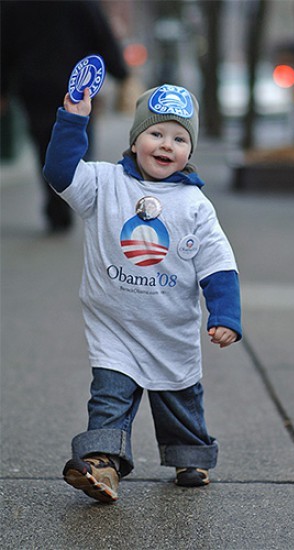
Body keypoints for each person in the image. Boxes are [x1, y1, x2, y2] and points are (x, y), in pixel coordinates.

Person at [43, 83, 242, 503]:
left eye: (180, 138)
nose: (166, 145)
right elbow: (60, 172)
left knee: (179, 397)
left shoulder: (194, 205)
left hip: (169, 326)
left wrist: (224, 314)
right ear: (134, 140)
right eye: (156, 133)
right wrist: (74, 118)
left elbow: (218, 264)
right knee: (109, 397)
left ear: (190, 150)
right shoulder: (103, 182)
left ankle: (190, 455)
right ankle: (102, 464)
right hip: (113, 326)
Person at [1, 0, 128, 233]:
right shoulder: (82, 4)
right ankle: (70, 198)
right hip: (78, 89)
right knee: (78, 142)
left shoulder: (14, 5)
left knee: (44, 146)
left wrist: (3, 89)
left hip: (34, 87)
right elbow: (101, 36)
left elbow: (4, 46)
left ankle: (57, 206)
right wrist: (121, 72)